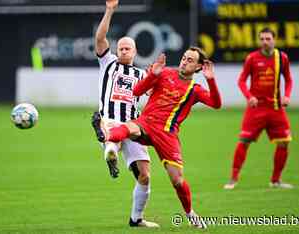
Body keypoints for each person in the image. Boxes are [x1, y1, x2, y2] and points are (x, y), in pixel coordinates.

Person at [92, 47, 222, 228]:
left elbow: (216, 104)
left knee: (177, 180)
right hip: (147, 122)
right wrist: (153, 75)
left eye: (190, 60)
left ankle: (190, 213)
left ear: (199, 67)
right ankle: (107, 135)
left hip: (168, 134)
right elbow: (137, 91)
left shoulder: (195, 90)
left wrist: (211, 80)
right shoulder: (165, 73)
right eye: (184, 58)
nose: (184, 61)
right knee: (130, 128)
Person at [90, 0, 159, 228]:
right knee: (108, 126)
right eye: (120, 47)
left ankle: (136, 219)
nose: (123, 50)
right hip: (110, 121)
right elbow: (100, 39)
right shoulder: (107, 63)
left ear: (135, 51)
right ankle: (110, 148)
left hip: (134, 126)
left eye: (127, 48)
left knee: (145, 176)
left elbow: (155, 95)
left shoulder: (141, 74)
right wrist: (109, 10)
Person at [224, 27, 293, 190]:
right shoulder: (252, 58)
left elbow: (289, 80)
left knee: (284, 142)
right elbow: (241, 81)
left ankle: (276, 180)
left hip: (276, 108)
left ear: (274, 40)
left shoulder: (282, 58)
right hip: (255, 110)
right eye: (262, 39)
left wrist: (287, 95)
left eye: (268, 38)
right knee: (244, 141)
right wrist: (249, 97)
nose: (265, 42)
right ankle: (233, 180)